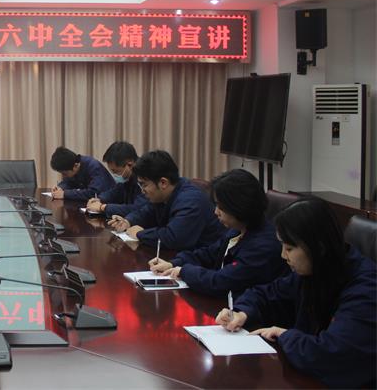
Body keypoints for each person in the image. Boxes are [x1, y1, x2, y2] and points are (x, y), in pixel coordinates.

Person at [216, 198, 376, 388]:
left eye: (289, 248)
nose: (283, 255)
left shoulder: (366, 289)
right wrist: (242, 312)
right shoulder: (315, 269)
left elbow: (331, 354)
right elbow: (268, 294)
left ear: (318, 247)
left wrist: (284, 335)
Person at [148, 169, 287, 297]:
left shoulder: (263, 246)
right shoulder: (237, 230)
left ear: (239, 206)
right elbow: (208, 254)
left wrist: (184, 271)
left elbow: (221, 282)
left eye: (221, 207)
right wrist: (174, 263)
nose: (216, 212)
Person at [107, 150, 224, 250]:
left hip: (205, 262)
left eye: (144, 185)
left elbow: (174, 238)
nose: (142, 191)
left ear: (163, 183)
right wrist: (128, 221)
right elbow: (146, 212)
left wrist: (140, 234)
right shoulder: (165, 194)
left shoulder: (191, 200)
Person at [86, 141, 147, 218]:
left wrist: (103, 207)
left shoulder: (144, 178)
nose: (115, 175)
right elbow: (116, 192)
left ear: (130, 164)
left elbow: (137, 208)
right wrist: (99, 199)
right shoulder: (129, 177)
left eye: (116, 171)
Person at [49, 146, 113, 201]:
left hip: (109, 202)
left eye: (64, 173)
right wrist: (60, 187)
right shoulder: (72, 165)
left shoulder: (94, 167)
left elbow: (93, 193)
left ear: (75, 166)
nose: (64, 176)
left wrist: (65, 194)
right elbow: (69, 182)